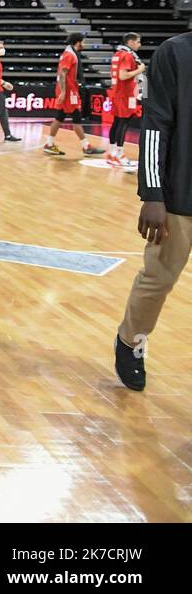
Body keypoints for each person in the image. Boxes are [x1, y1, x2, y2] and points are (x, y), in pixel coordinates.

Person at [114, 30, 192, 391]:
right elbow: (155, 124)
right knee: (158, 278)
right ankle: (131, 342)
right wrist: (152, 193)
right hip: (179, 196)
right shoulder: (173, 53)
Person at [43, 32, 105, 157]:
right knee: (76, 117)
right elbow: (62, 74)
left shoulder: (70, 53)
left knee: (60, 116)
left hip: (68, 90)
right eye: (84, 41)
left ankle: (49, 144)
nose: (85, 44)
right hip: (69, 92)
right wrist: (64, 92)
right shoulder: (70, 55)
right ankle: (86, 147)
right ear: (78, 42)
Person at [107, 32, 144, 171]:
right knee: (123, 123)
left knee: (117, 122)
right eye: (138, 41)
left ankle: (111, 153)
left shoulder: (118, 54)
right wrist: (139, 70)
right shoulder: (127, 55)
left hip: (117, 93)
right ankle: (119, 154)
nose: (140, 45)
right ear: (130, 42)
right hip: (125, 95)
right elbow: (123, 75)